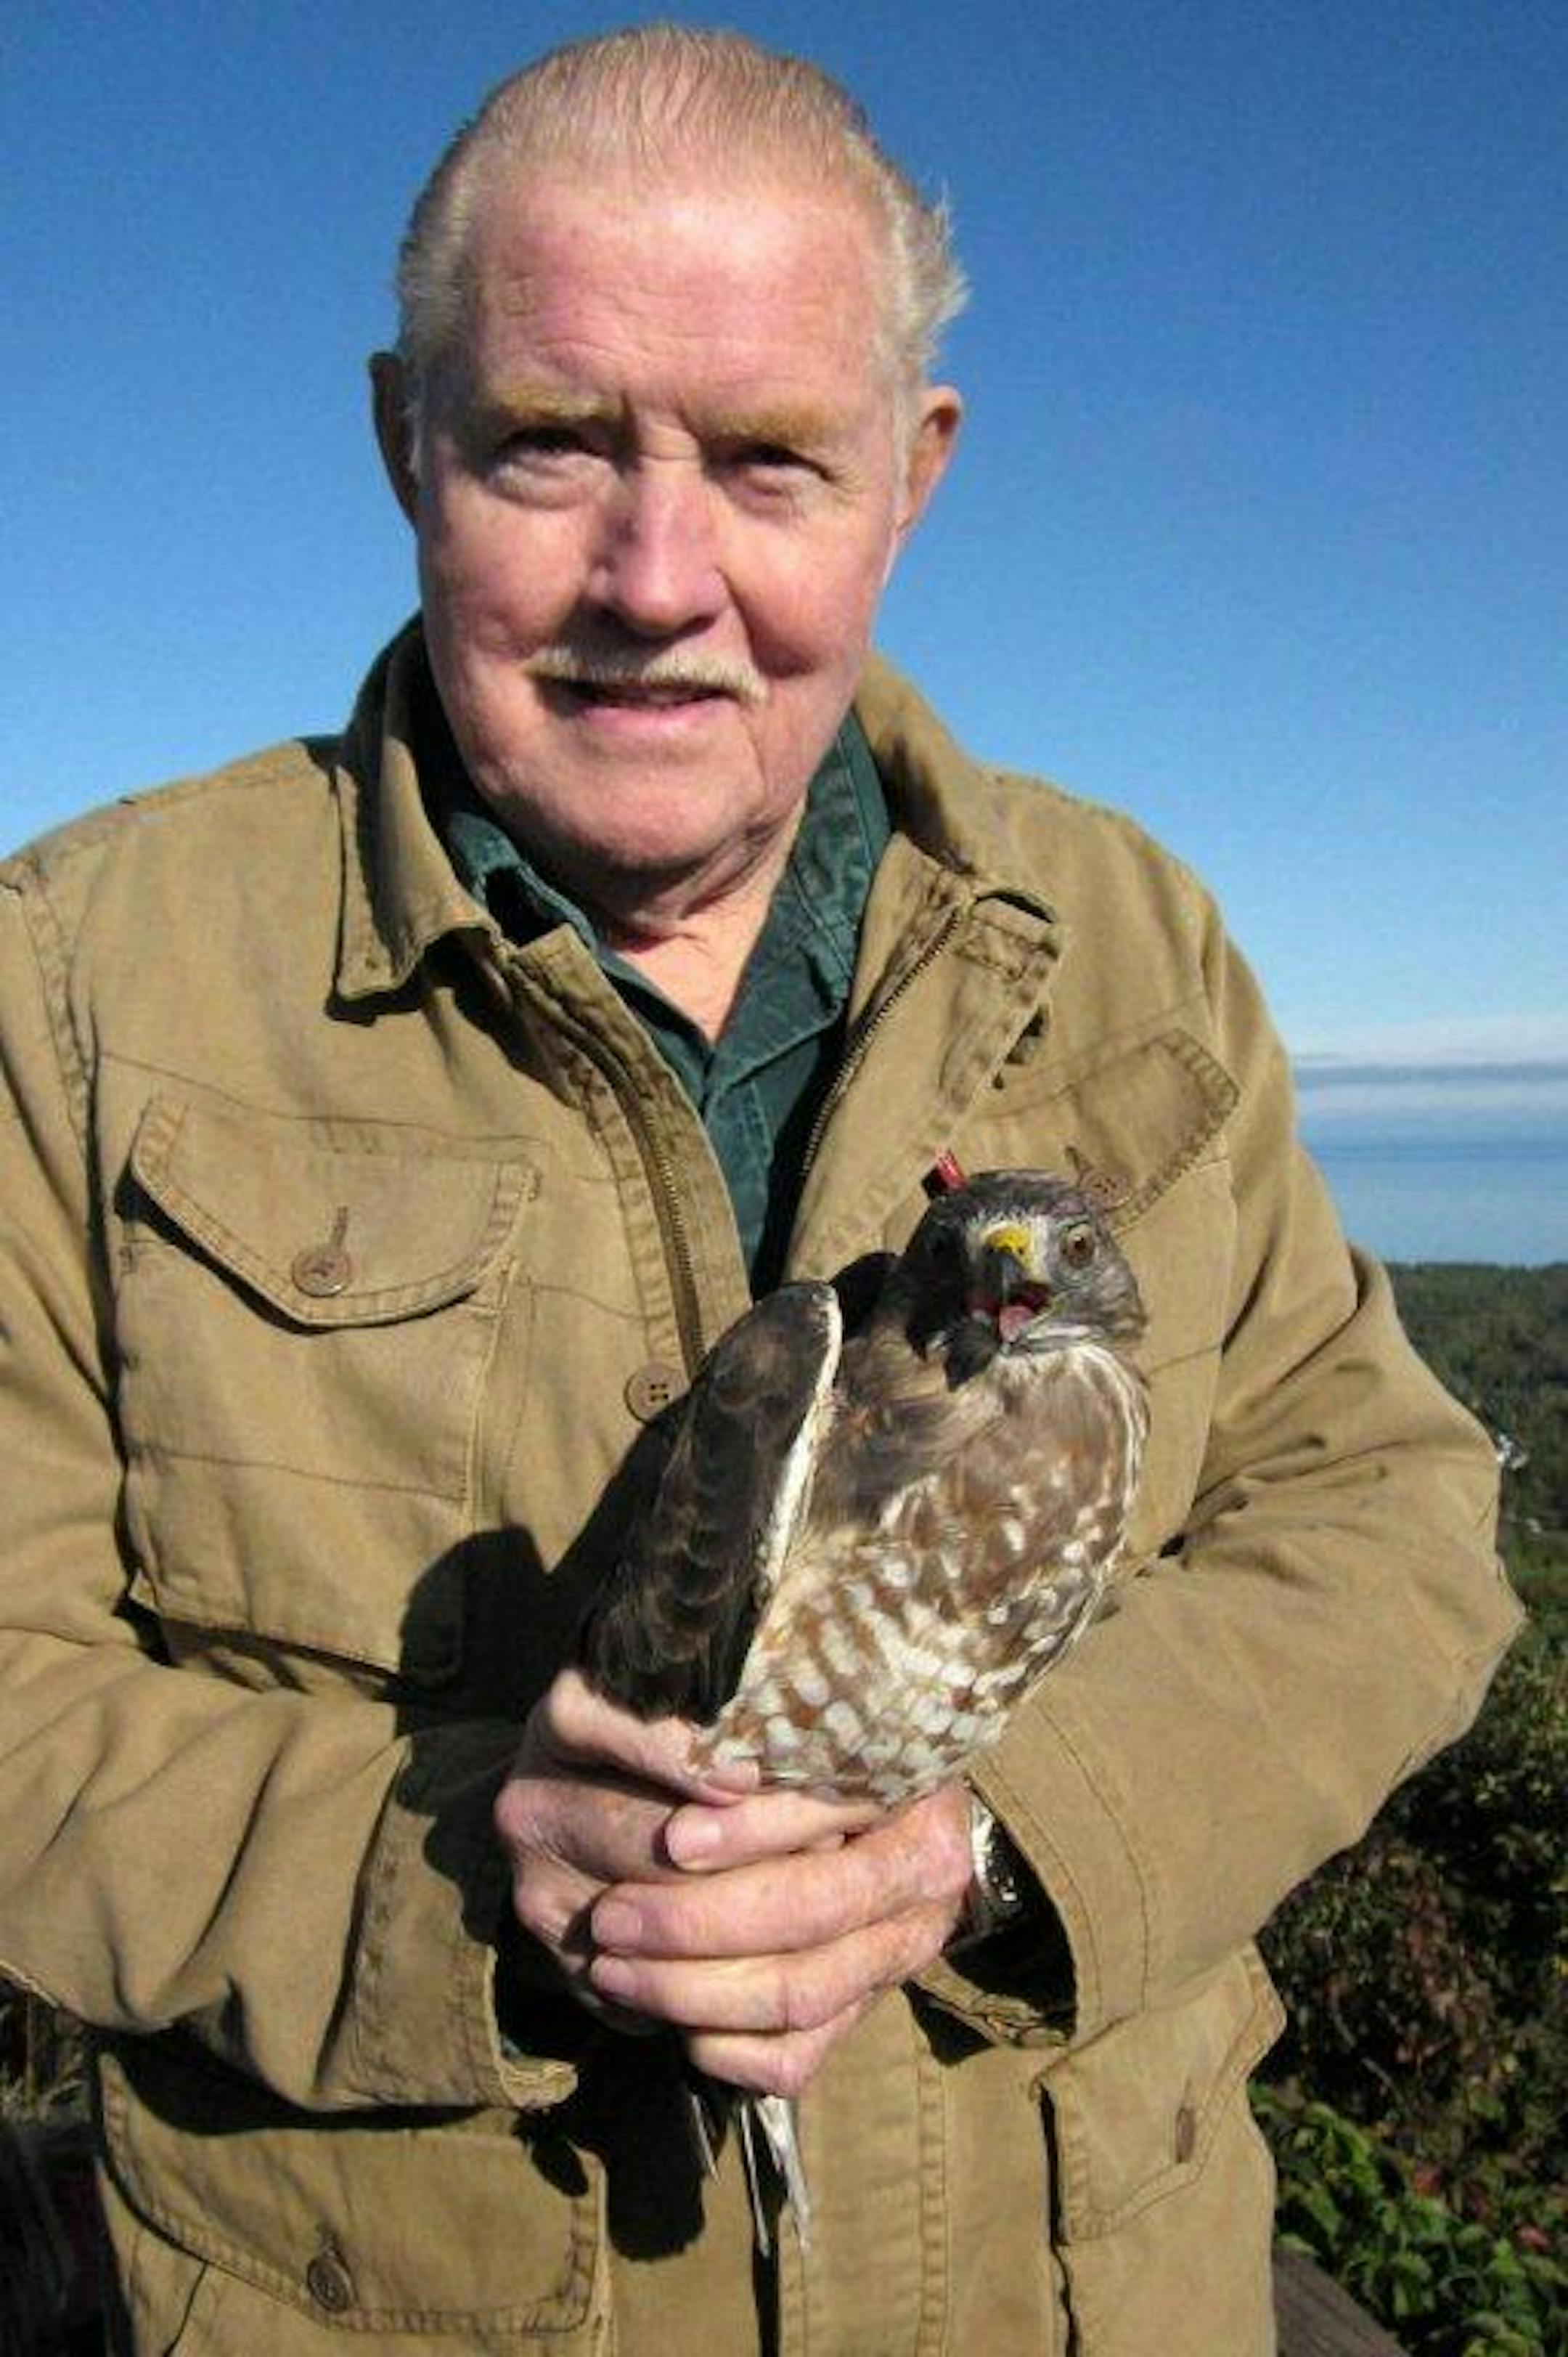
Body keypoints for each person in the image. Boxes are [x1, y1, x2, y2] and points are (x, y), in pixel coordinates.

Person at [0, 26, 1519, 2356]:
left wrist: (998, 1840)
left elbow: (1393, 1522)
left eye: (767, 460)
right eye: (551, 441)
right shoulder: (84, 986)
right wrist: (453, 1873)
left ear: (910, 480)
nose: (656, 574)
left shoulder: (1134, 957)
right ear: (405, 439)